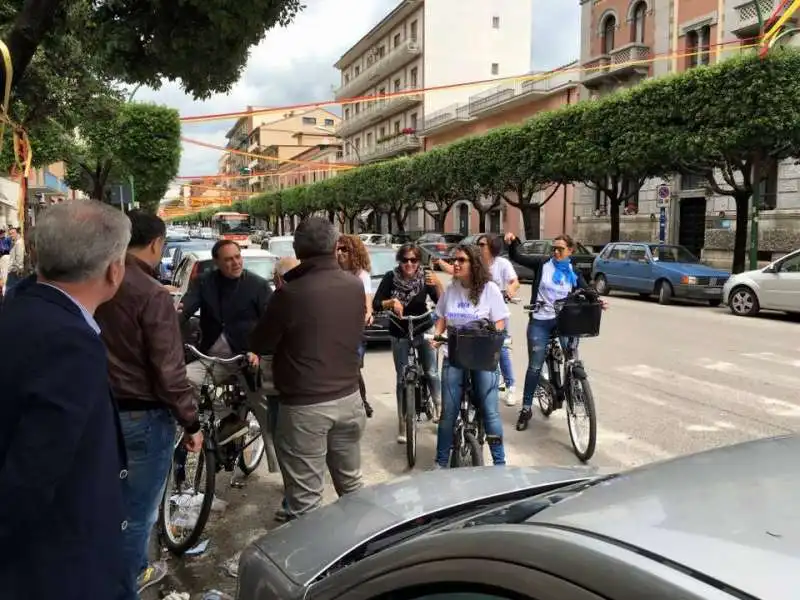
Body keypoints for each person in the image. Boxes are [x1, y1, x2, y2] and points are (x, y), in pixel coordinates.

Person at [0, 200, 131, 600]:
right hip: (59, 567)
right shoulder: (69, 342)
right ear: (114, 270)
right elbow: (34, 474)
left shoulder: (22, 309)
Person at [95, 211, 203, 597]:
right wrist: (191, 423)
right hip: (142, 415)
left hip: (99, 410)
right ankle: (127, 582)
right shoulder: (151, 293)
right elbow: (169, 372)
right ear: (157, 243)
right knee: (137, 512)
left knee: (106, 503)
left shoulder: (95, 280)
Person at [249, 217, 366, 520]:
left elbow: (261, 342)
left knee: (305, 503)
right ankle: (363, 554)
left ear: (298, 248)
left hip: (306, 407)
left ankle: (313, 566)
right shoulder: (354, 285)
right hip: (350, 398)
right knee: (352, 485)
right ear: (334, 244)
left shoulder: (290, 294)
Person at [504, 232, 608, 432]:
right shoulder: (543, 264)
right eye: (554, 248)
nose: (556, 252)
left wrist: (597, 301)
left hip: (564, 320)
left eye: (560, 249)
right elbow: (518, 257)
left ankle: (573, 390)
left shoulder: (573, 272)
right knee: (535, 365)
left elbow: (587, 290)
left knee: (571, 357)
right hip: (540, 320)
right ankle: (526, 409)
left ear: (570, 251)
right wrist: (513, 241)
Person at [180, 239, 272, 444]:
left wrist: (257, 351)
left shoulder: (258, 285)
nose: (236, 262)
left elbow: (271, 324)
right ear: (217, 262)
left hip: (246, 359)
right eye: (228, 259)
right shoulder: (204, 282)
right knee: (185, 379)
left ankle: (281, 465)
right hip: (212, 358)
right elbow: (184, 311)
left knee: (266, 412)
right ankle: (227, 417)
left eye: (238, 257)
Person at [431, 243, 509, 468]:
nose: (455, 263)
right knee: (448, 413)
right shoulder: (452, 288)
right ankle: (441, 462)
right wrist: (437, 334)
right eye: (454, 259)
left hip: (482, 357)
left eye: (461, 260)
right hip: (454, 355)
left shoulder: (489, 289)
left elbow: (500, 319)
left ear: (473, 264)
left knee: (490, 411)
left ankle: (499, 464)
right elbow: (442, 317)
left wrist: (496, 332)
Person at [373, 243, 444, 442]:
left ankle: (440, 409)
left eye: (414, 260)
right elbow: (376, 303)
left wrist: (437, 283)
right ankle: (402, 423)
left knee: (431, 372)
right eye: (405, 260)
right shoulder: (390, 277)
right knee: (401, 379)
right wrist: (390, 303)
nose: (409, 264)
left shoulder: (426, 277)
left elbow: (441, 302)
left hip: (423, 328)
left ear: (419, 261)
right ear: (399, 261)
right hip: (399, 331)